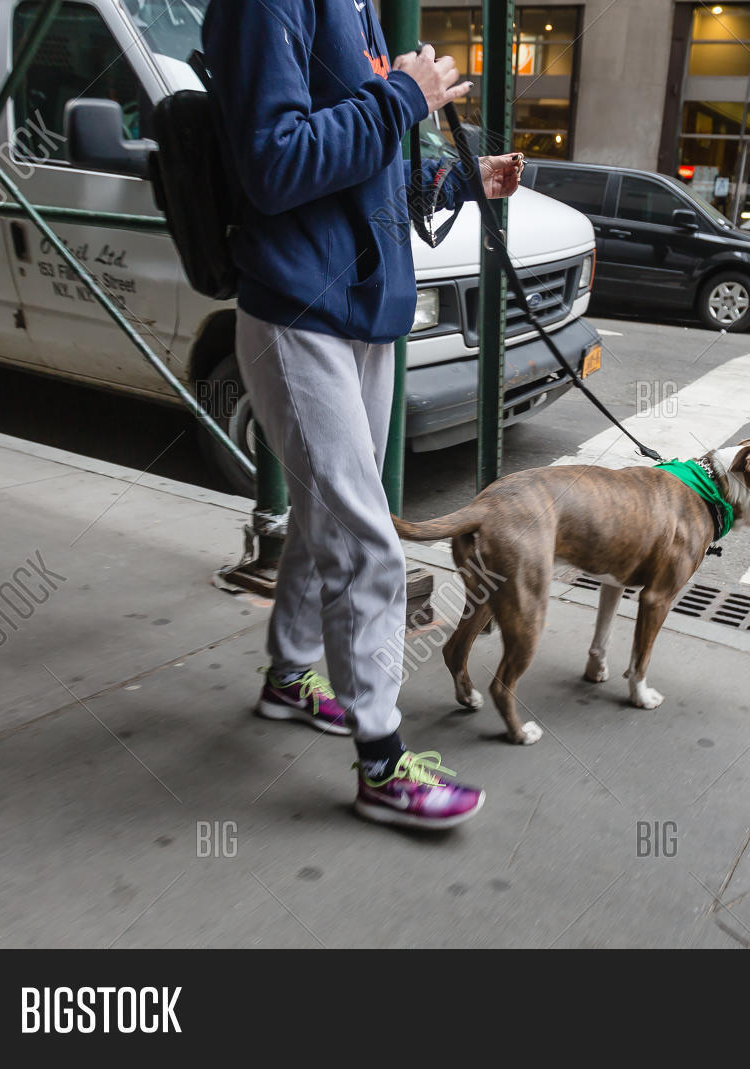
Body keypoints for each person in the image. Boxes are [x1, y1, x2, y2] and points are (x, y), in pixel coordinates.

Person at [203, 1, 525, 829]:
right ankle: (384, 765)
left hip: (364, 313)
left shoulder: (360, 12)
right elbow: (274, 164)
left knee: (328, 524)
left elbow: (367, 162)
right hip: (297, 311)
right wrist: (401, 99)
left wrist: (459, 176)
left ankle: (288, 679)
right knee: (364, 541)